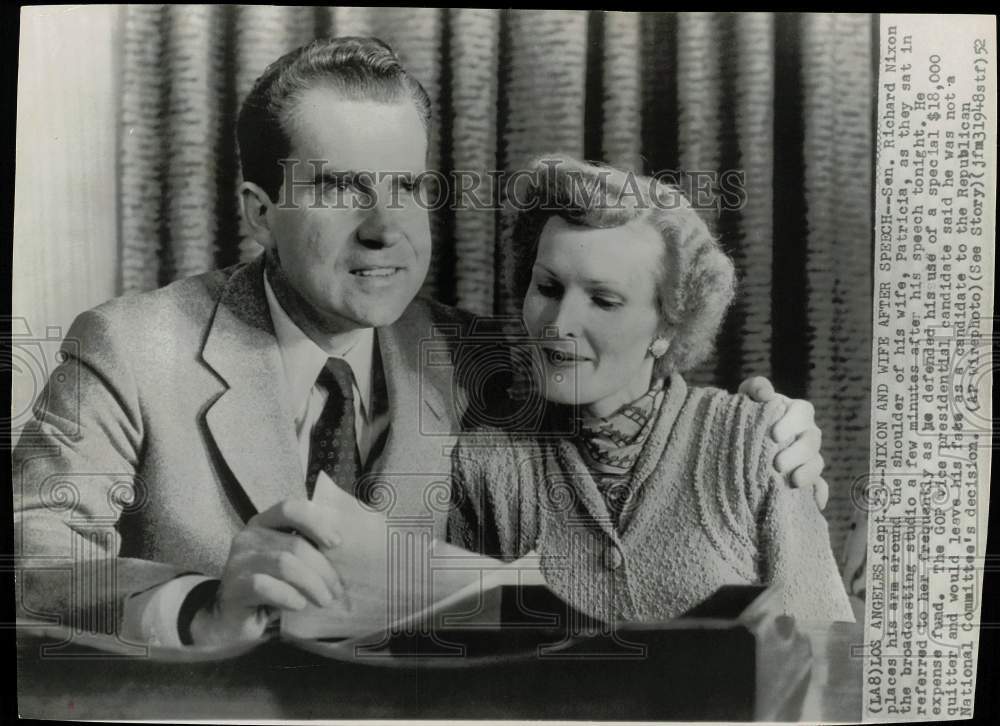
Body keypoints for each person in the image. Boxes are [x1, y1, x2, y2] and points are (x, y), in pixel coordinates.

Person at [12, 37, 831, 649]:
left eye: (407, 187)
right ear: (259, 211)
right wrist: (201, 609)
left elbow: (640, 450)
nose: (383, 230)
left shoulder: (492, 361)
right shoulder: (129, 347)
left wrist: (778, 444)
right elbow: (33, 577)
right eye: (339, 187)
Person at [448, 157, 854, 622]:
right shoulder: (484, 467)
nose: (559, 325)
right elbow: (462, 664)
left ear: (667, 326)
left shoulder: (753, 442)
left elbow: (824, 647)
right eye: (548, 288)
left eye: (603, 300)